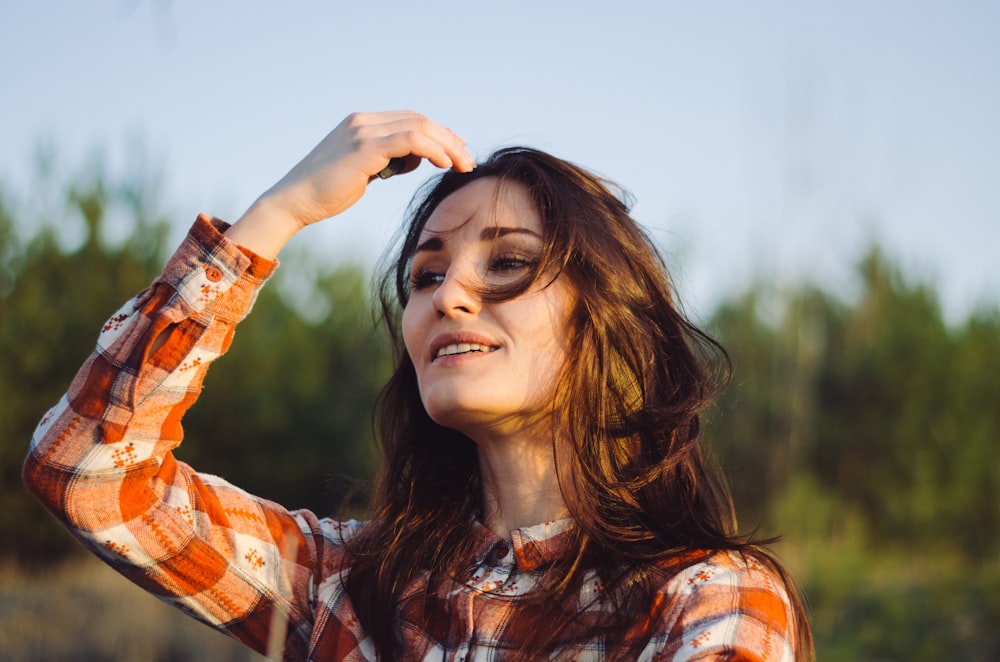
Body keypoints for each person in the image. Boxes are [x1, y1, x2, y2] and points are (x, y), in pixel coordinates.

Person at [23, 111, 813, 660]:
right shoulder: (347, 587)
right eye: (425, 274)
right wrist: (278, 213)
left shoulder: (708, 598)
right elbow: (90, 476)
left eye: (507, 262)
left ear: (607, 319)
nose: (448, 294)